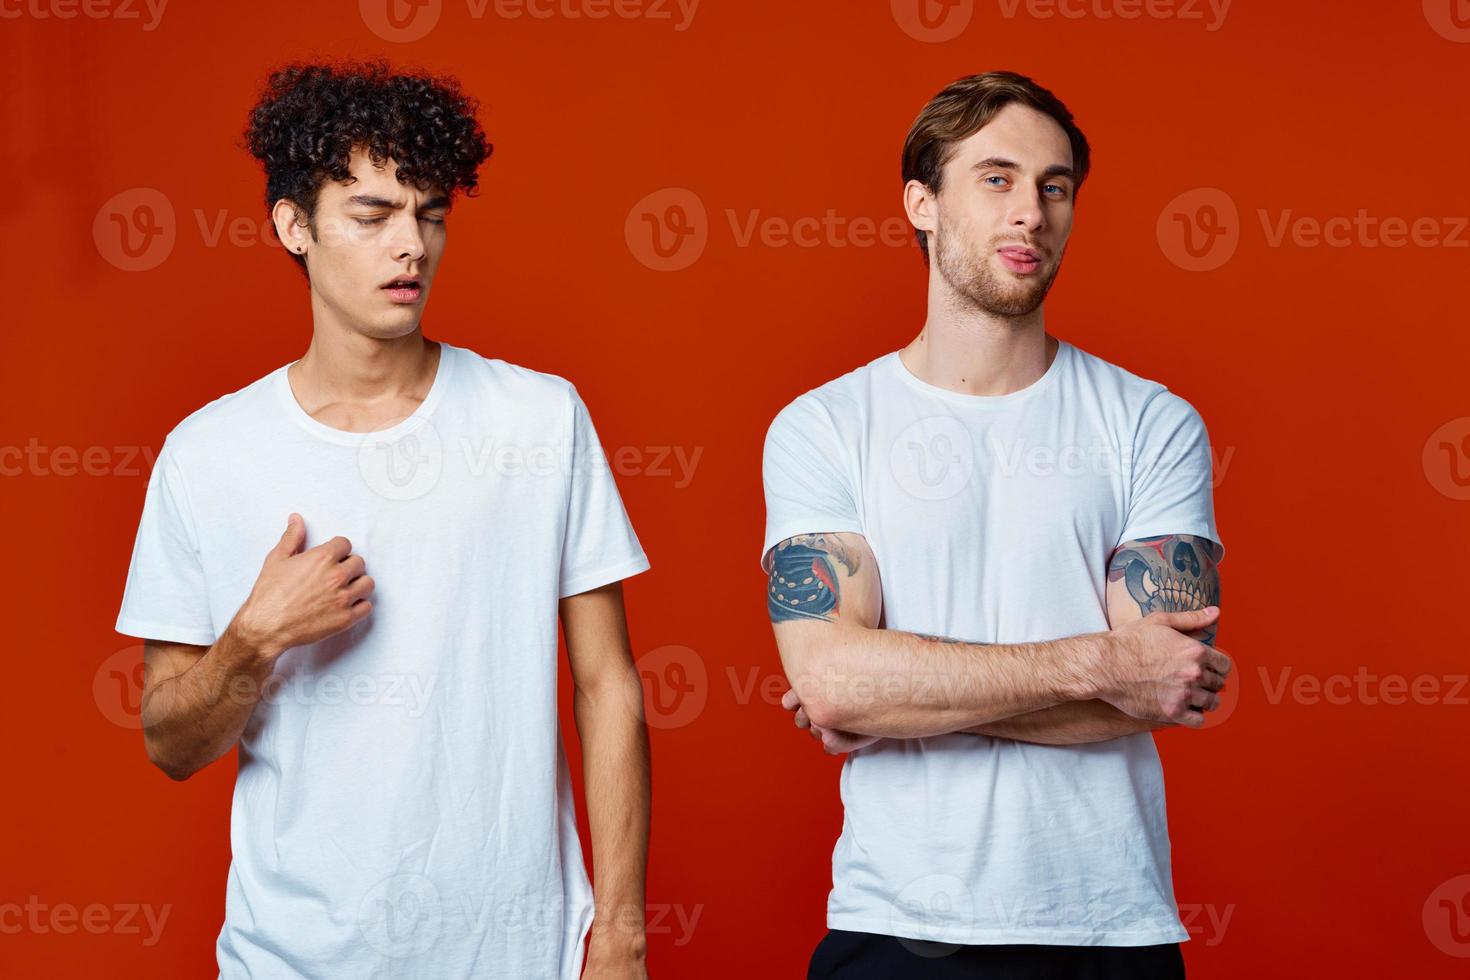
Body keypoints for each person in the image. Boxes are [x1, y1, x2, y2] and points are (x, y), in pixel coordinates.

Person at [115, 59, 652, 980]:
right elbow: (169, 742)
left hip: (518, 957)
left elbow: (607, 686)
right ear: (295, 225)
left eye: (430, 215)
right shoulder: (207, 454)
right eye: (372, 216)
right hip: (291, 960)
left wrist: (623, 935)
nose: (412, 245)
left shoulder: (539, 419)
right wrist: (254, 638)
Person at [761, 70, 1230, 979]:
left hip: (1109, 930)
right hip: (895, 923)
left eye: (1055, 187)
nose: (1032, 213)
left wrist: (901, 698)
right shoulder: (822, 426)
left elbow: (1162, 685)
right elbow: (834, 685)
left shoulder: (1152, 422)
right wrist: (1099, 661)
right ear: (921, 204)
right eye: (998, 178)